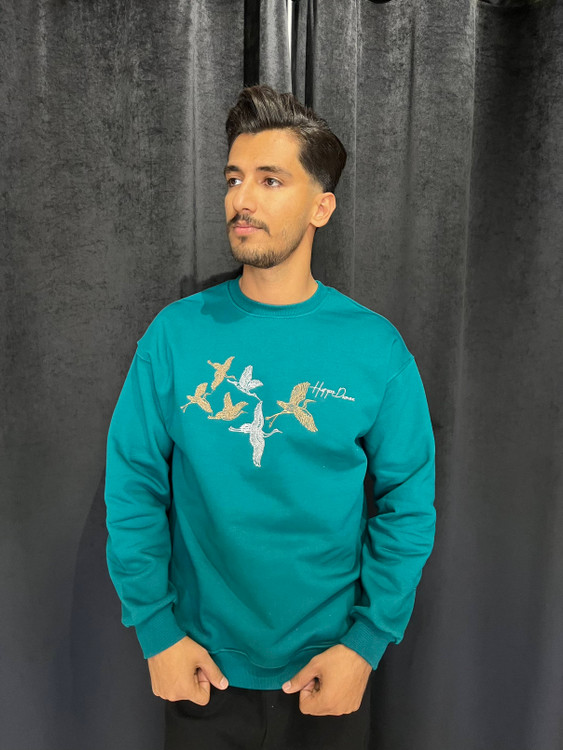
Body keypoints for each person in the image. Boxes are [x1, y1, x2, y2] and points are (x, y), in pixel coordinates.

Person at [104, 84, 436, 750]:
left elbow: (408, 504)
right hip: (201, 670)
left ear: (321, 206)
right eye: (234, 179)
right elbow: (133, 484)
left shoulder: (374, 348)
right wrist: (157, 632)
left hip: (327, 672)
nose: (242, 200)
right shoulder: (176, 335)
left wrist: (365, 645)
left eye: (270, 180)